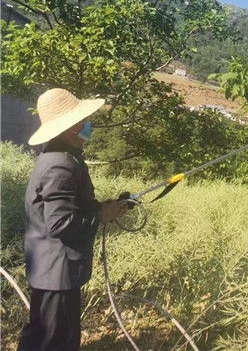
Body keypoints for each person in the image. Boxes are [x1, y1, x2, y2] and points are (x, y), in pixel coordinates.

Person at [17, 88, 129, 351]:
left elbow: (68, 208)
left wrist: (103, 207)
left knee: (42, 337)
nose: (88, 124)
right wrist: (101, 215)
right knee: (55, 342)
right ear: (70, 127)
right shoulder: (61, 165)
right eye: (84, 120)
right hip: (57, 272)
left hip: (51, 270)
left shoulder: (60, 158)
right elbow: (60, 223)